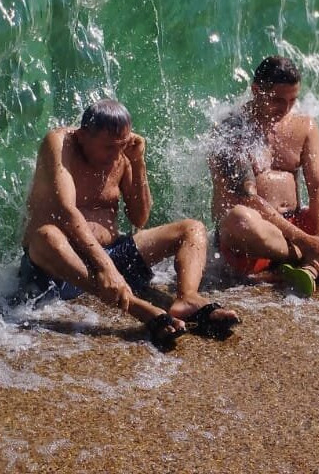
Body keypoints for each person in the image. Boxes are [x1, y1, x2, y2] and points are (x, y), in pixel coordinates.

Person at [20, 99, 239, 350]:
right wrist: (106, 268)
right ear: (82, 136)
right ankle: (139, 308)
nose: (116, 155)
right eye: (108, 148)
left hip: (113, 254)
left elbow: (140, 218)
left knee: (192, 229)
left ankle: (188, 298)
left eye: (121, 146)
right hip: (63, 267)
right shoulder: (60, 144)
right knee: (45, 235)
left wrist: (137, 161)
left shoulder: (123, 153)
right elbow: (65, 212)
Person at [209, 56, 319, 297]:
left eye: (292, 100)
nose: (285, 109)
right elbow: (248, 199)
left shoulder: (305, 127)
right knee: (239, 218)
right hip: (257, 238)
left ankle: (315, 265)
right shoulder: (232, 129)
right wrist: (305, 241)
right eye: (277, 100)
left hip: (298, 227)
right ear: (255, 91)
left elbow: (318, 187)